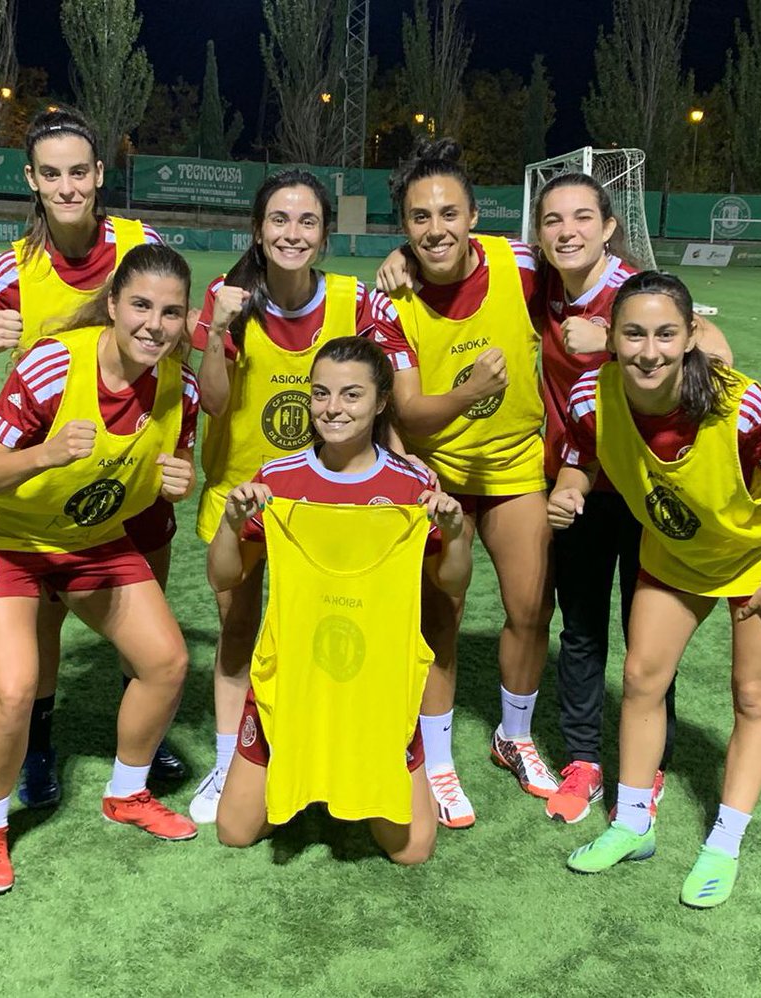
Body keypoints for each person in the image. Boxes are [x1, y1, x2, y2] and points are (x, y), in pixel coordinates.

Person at [0, 108, 186, 796]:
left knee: (147, 604)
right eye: (51, 174)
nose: (67, 187)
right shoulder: (13, 267)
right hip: (48, 481)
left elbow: (176, 323)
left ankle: (145, 738)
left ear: (98, 175)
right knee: (41, 615)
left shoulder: (140, 243)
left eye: (78, 172)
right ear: (32, 180)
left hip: (131, 460)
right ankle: (38, 745)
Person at [549, 271, 761, 908]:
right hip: (676, 550)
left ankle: (724, 843)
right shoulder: (590, 396)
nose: (649, 352)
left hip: (758, 556)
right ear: (611, 337)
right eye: (634, 334)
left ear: (692, 335)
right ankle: (631, 824)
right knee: (642, 677)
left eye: (666, 334)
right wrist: (569, 489)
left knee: (752, 695)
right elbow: (582, 458)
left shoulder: (741, 404)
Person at [0, 243, 202, 894]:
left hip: (90, 540)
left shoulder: (182, 389)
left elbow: (155, 474)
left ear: (185, 320)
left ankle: (127, 792)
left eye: (171, 312)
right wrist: (47, 453)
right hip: (1, 540)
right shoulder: (53, 365)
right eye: (140, 305)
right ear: (112, 304)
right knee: (13, 691)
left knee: (166, 662)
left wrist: (176, 483)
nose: (154, 324)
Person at [208, 336, 472, 864]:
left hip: (378, 686)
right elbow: (223, 575)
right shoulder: (278, 478)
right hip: (295, 677)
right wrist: (231, 524)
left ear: (381, 402)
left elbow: (452, 583)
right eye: (321, 393)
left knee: (412, 850)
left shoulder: (412, 483)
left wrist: (455, 533)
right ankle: (305, 771)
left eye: (352, 395)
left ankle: (364, 768)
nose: (333, 408)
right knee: (234, 830)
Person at [528, 174, 733, 825]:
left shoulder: (633, 288)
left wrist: (612, 339)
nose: (568, 231)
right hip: (579, 484)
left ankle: (651, 765)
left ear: (609, 227)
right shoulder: (541, 285)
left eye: (582, 217)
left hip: (649, 490)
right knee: (580, 628)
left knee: (646, 639)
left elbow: (718, 353)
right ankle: (583, 760)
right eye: (553, 220)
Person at [189, 169, 384, 823]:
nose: (292, 233)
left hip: (328, 499)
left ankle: (325, 749)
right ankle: (228, 763)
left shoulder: (353, 300)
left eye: (307, 221)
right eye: (279, 219)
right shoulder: (228, 298)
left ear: (325, 235)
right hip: (241, 495)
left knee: (330, 631)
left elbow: (378, 394)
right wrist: (218, 329)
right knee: (239, 631)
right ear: (257, 229)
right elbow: (214, 403)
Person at [372, 138, 555, 828]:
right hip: (437, 477)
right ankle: (439, 760)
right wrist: (472, 390)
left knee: (530, 609)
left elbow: (597, 278)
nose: (436, 229)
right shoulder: (392, 299)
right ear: (404, 227)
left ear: (474, 215)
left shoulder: (520, 265)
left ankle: (515, 735)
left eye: (449, 213)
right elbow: (409, 412)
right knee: (439, 618)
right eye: (419, 218)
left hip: (514, 467)